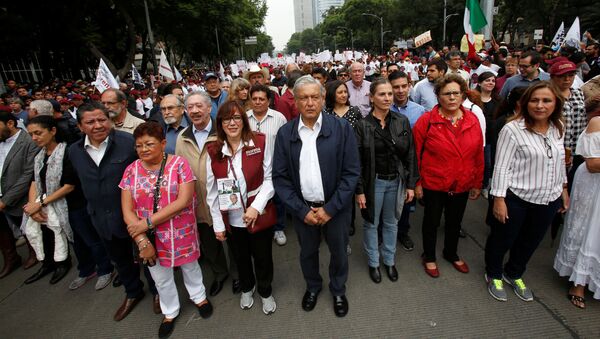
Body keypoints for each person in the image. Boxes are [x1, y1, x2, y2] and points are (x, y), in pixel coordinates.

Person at [273, 75, 360, 317]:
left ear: (323, 98)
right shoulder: (285, 134)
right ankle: (313, 286)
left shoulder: (341, 128)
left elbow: (351, 173)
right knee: (307, 253)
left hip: (336, 209)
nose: (310, 102)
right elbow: (280, 179)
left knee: (339, 252)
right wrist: (301, 211)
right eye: (304, 98)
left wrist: (330, 209)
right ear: (295, 102)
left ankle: (338, 289)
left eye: (315, 97)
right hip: (304, 211)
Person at [120, 122, 212, 338]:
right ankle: (170, 311)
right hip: (150, 238)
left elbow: (183, 200)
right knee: (160, 277)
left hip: (181, 231)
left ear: (163, 144)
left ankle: (199, 297)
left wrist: (147, 222)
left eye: (149, 144)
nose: (144, 149)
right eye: (139, 145)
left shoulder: (180, 165)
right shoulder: (131, 170)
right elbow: (127, 210)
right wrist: (142, 238)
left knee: (190, 267)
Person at [69, 102, 159, 321]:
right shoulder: (74, 151)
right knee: (121, 260)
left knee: (147, 258)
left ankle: (158, 293)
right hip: (101, 218)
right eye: (90, 122)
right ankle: (132, 292)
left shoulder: (129, 143)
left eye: (102, 119)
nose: (98, 125)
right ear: (81, 126)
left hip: (135, 217)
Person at [485, 81, 569, 302]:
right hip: (516, 198)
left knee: (530, 241)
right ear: (525, 103)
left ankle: (513, 273)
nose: (540, 105)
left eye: (546, 100)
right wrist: (499, 199)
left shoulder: (559, 126)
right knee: (503, 239)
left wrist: (563, 190)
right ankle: (493, 274)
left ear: (556, 103)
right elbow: (501, 166)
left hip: (548, 199)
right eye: (535, 100)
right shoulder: (513, 129)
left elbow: (560, 162)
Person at [206, 101, 277, 315]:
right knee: (240, 258)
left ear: (244, 121)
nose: (232, 123)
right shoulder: (214, 151)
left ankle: (265, 290)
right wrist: (218, 223)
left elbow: (270, 178)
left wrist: (256, 207)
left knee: (263, 257)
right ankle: (248, 287)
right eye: (226, 119)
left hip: (259, 214)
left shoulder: (260, 142)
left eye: (237, 117)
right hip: (233, 218)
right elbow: (212, 192)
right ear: (220, 123)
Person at [413, 74, 483, 278]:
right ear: (438, 96)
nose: (452, 97)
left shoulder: (473, 119)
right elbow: (416, 154)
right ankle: (429, 256)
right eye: (447, 93)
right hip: (434, 183)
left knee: (455, 221)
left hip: (462, 183)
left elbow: (478, 152)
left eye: (456, 93)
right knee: (432, 222)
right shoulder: (426, 121)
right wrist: (417, 183)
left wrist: (477, 182)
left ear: (463, 95)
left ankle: (451, 253)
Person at [354, 78, 418, 283]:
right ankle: (374, 262)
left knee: (392, 223)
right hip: (374, 183)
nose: (388, 98)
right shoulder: (362, 126)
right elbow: (357, 162)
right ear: (371, 97)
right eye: (382, 94)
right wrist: (360, 190)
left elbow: (410, 155)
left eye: (390, 94)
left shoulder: (401, 121)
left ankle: (389, 260)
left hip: (396, 182)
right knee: (371, 223)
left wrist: (410, 184)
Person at [22, 116, 76, 286]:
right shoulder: (39, 156)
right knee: (44, 234)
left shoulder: (66, 152)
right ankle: (47, 264)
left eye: (38, 133)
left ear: (52, 131)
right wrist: (33, 206)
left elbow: (69, 185)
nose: (34, 138)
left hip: (64, 203)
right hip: (43, 203)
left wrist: (41, 204)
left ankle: (62, 262)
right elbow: (34, 181)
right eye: (31, 134)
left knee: (59, 232)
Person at [554, 116, 600, 309]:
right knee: (588, 229)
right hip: (594, 184)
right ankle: (578, 284)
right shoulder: (597, 122)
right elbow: (592, 164)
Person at [388, 71, 427, 251]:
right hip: (386, 166)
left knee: (405, 202)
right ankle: (384, 233)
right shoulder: (383, 110)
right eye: (396, 87)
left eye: (404, 86)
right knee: (385, 203)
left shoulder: (419, 112)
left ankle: (403, 232)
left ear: (410, 85)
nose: (401, 90)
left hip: (408, 166)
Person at [245, 85, 288, 246]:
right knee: (255, 199)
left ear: (268, 101)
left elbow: (285, 144)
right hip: (252, 169)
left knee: (278, 199)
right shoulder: (244, 118)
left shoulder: (279, 118)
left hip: (275, 166)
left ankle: (278, 228)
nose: (257, 102)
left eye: (261, 99)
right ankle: (258, 225)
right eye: (254, 99)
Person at [0, 111, 38, 279]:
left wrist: (6, 200)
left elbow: (29, 174)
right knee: (3, 233)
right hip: (2, 196)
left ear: (9, 124)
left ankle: (36, 254)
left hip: (20, 197)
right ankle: (11, 258)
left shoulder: (28, 141)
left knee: (29, 231)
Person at [324, 80, 362, 241]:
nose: (343, 95)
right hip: (330, 159)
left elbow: (360, 135)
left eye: (345, 92)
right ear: (332, 94)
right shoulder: (325, 113)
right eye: (339, 92)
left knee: (348, 191)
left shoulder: (354, 111)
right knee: (331, 191)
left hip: (350, 158)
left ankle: (349, 222)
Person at [476, 72, 501, 197]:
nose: (490, 83)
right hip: (474, 136)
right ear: (479, 83)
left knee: (487, 164)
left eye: (493, 81)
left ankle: (484, 185)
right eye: (487, 80)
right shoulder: (472, 99)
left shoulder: (498, 100)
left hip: (490, 138)